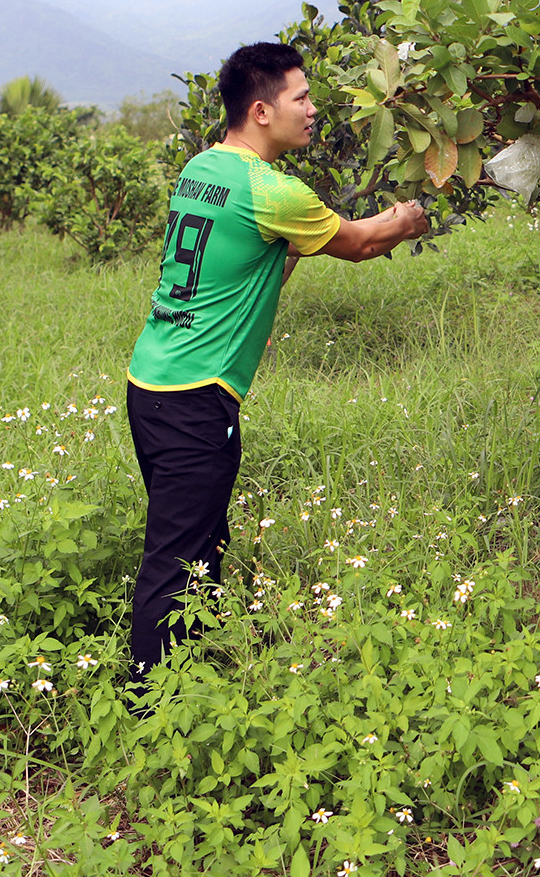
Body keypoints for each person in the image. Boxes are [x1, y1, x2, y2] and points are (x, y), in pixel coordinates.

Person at [123, 41, 428, 686]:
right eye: (302, 98)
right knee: (176, 557)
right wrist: (406, 220)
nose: (314, 110)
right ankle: (145, 707)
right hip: (194, 396)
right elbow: (363, 242)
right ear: (261, 111)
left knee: (200, 541)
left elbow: (250, 260)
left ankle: (196, 668)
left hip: (149, 379)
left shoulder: (202, 167)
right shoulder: (273, 192)